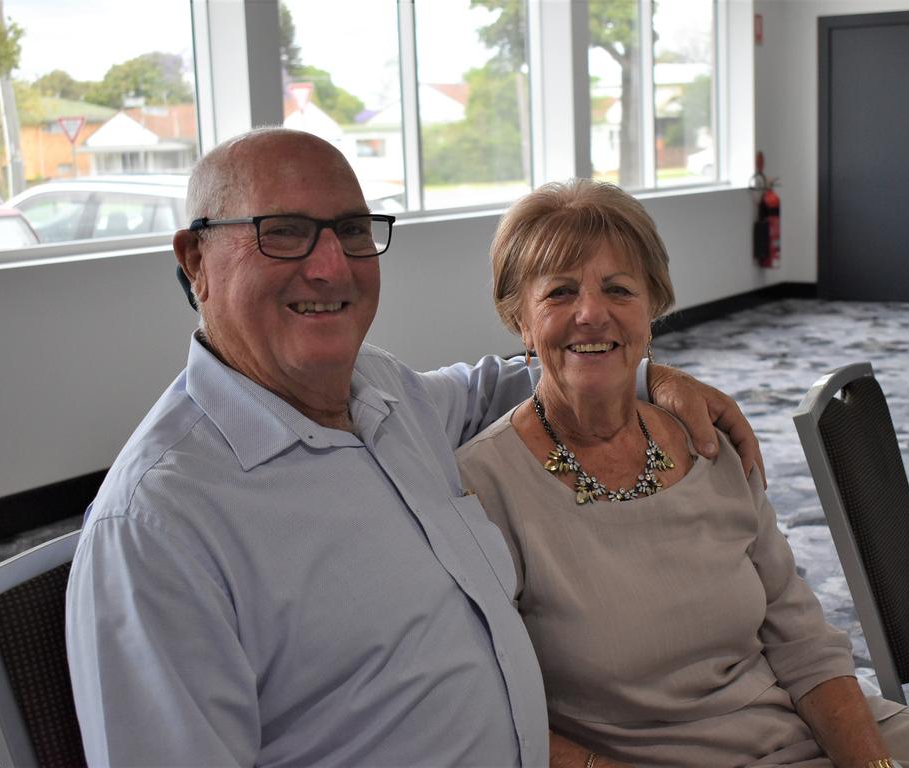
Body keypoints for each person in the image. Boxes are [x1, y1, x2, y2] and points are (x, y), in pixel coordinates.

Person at [65, 128, 762, 767]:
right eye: (284, 233)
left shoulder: (385, 397)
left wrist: (648, 375)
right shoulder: (160, 526)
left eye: (352, 230)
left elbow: (505, 381)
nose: (331, 266)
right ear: (196, 261)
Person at [455, 178, 909, 768]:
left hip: (814, 722)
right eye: (560, 292)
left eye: (619, 289)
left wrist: (872, 765)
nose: (591, 313)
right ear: (519, 318)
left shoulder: (707, 443)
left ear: (652, 310)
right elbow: (485, 712)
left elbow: (803, 643)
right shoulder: (483, 487)